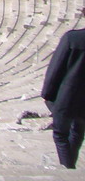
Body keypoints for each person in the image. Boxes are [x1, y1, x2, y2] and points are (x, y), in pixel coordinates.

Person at [42, 12, 85, 168]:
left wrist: (47, 94)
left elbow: (56, 68)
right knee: (78, 132)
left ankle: (68, 169)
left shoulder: (72, 38)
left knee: (60, 134)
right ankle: (70, 166)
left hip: (67, 96)